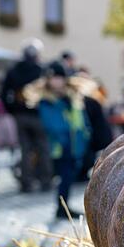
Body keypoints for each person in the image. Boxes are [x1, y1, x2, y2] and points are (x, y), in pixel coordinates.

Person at [28, 62, 91, 219]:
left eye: (58, 77)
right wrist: (64, 139)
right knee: (64, 176)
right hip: (61, 146)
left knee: (70, 177)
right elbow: (53, 124)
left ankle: (64, 206)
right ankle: (61, 208)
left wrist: (86, 134)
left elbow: (81, 119)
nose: (56, 81)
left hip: (76, 144)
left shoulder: (72, 97)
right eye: (52, 78)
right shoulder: (47, 101)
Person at [1, 39, 53, 193]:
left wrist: (12, 110)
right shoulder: (42, 70)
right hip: (38, 115)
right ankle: (45, 181)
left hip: (21, 116)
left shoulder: (14, 70)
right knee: (43, 148)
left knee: (25, 150)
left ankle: (27, 183)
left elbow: (4, 94)